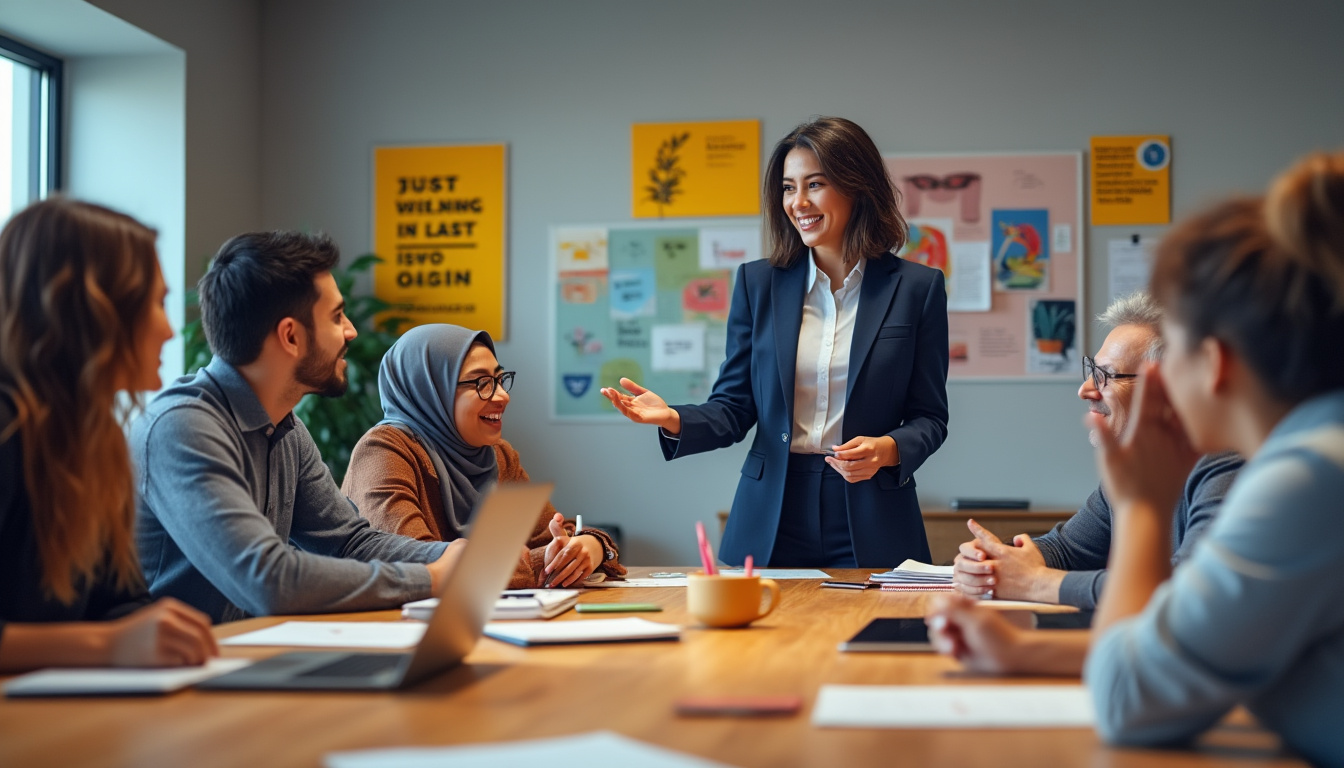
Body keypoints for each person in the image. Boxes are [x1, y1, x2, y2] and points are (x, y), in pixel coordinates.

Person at [928, 152, 1344, 766]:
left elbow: (1128, 702)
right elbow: (1191, 649)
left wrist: (1143, 504)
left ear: (1213, 363)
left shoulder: (1307, 478)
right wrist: (1023, 653)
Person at [602, 117, 949, 568]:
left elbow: (930, 416)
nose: (798, 202)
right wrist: (673, 418)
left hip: (873, 512)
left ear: (857, 186)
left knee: (874, 636)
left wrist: (889, 449)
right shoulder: (757, 284)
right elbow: (734, 407)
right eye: (787, 188)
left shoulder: (917, 289)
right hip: (773, 512)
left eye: (814, 184)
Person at [133, 231, 462, 624]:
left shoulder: (286, 430)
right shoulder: (182, 427)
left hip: (239, 659)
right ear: (291, 336)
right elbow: (268, 581)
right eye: (338, 316)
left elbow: (349, 543)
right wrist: (429, 579)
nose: (352, 331)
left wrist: (458, 557)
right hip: (165, 675)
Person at [0, 197, 216, 671]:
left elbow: (117, 603)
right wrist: (106, 646)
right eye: (156, 303)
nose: (170, 330)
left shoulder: (94, 444)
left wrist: (166, 632)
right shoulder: (8, 430)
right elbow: (110, 633)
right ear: (92, 310)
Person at [950, 292, 1242, 607]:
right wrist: (995, 560)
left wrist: (1034, 583)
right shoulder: (1136, 467)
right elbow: (1066, 550)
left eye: (1106, 376)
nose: (1085, 389)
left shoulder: (1222, 462)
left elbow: (1186, 589)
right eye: (1091, 370)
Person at [343, 324, 626, 588]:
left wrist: (590, 546)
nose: (502, 396)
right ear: (431, 388)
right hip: (396, 631)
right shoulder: (383, 451)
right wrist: (544, 562)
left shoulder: (497, 455)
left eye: (500, 379)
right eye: (481, 382)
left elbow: (556, 534)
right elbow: (418, 565)